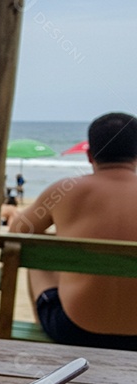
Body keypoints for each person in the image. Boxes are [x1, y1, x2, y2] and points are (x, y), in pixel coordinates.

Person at [8, 112, 137, 349]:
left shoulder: (65, 190)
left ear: (89, 155)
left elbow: (19, 230)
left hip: (73, 329)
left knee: (35, 250)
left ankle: (42, 325)